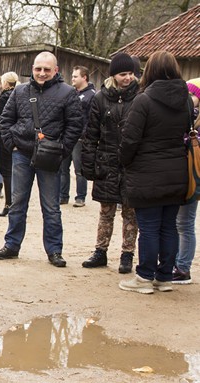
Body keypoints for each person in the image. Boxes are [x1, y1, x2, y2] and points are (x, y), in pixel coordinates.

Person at [0, 51, 82, 267]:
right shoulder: (20, 91)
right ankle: (11, 245)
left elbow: (75, 124)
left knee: (51, 206)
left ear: (56, 71)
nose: (42, 73)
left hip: (50, 157)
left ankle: (54, 250)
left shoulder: (67, 93)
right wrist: (10, 144)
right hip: (21, 153)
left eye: (47, 69)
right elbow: (5, 119)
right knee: (17, 203)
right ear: (32, 69)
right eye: (38, 69)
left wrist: (62, 150)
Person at [118, 51, 189, 294]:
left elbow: (130, 140)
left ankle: (145, 277)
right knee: (169, 227)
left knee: (148, 228)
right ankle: (165, 276)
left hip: (147, 173)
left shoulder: (143, 100)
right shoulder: (187, 100)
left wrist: (124, 162)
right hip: (177, 172)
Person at [81, 52, 139, 274]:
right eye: (123, 74)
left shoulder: (140, 97)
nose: (128, 78)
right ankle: (100, 251)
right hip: (106, 162)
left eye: (131, 74)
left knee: (130, 213)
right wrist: (88, 163)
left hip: (130, 164)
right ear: (114, 75)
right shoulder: (100, 98)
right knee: (106, 211)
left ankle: (127, 254)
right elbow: (91, 133)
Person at [173, 78, 200, 284]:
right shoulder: (184, 117)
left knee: (185, 223)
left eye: (191, 94)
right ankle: (176, 263)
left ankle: (183, 268)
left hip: (192, 177)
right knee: (176, 222)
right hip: (178, 176)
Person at [59, 66, 95, 207]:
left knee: (79, 169)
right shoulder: (71, 93)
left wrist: (84, 134)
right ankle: (63, 196)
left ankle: (80, 197)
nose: (72, 79)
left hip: (80, 138)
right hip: (66, 136)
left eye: (75, 76)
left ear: (84, 77)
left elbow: (91, 118)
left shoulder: (91, 95)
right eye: (72, 76)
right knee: (63, 168)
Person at [0, 72, 19, 217]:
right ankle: (17, 203)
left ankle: (9, 204)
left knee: (6, 172)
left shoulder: (4, 97)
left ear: (6, 83)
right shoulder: (20, 95)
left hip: (4, 138)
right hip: (17, 138)